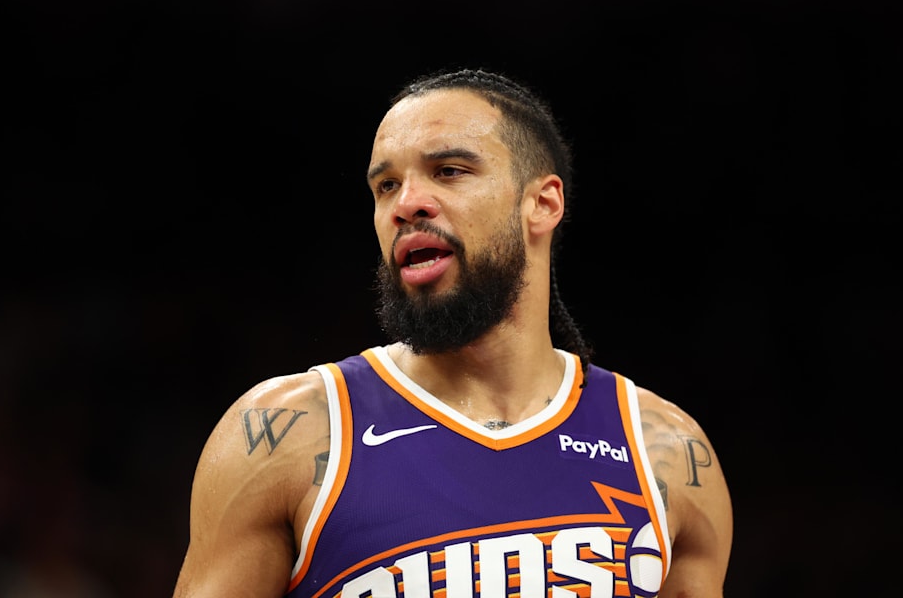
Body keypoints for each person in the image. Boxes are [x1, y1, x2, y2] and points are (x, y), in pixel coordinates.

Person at [172, 68, 733, 598]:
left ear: (543, 203)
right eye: (386, 185)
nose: (406, 204)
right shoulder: (287, 435)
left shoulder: (666, 451)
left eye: (449, 171)